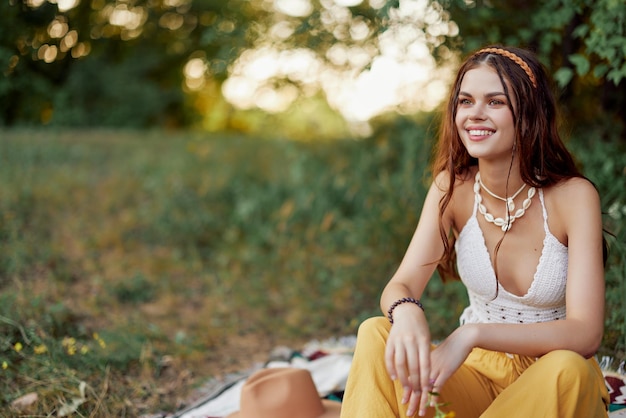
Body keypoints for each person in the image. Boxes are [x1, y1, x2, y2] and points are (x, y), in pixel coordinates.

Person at [339, 46, 610, 418]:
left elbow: (586, 333)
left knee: (570, 369)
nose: (475, 114)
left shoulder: (573, 197)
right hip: (477, 374)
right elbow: (399, 286)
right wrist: (406, 312)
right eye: (465, 101)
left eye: (495, 102)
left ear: (529, 115)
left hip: (550, 378)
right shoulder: (452, 188)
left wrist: (473, 334)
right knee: (375, 333)